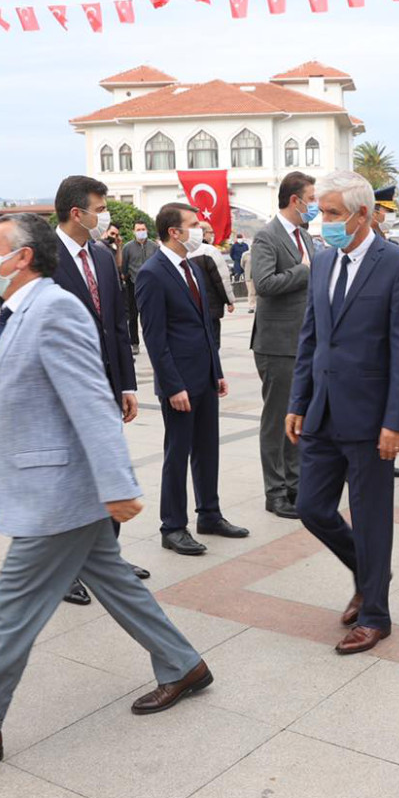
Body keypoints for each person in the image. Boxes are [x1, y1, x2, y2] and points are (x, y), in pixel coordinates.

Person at [0, 214, 210, 766]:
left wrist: (118, 484)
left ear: (21, 258)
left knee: (10, 615)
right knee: (118, 584)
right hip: (63, 488)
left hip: (58, 494)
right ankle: (184, 664)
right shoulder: (18, 310)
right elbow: (16, 403)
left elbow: (91, 401)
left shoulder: (55, 309)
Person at [285, 171, 399, 655]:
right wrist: (298, 401)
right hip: (322, 410)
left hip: (370, 417)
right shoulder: (323, 261)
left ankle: (375, 614)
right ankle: (370, 574)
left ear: (362, 215)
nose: (323, 221)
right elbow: (311, 337)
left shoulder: (398, 265)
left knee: (371, 519)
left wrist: (396, 422)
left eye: (333, 213)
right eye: (320, 211)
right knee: (311, 508)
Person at [138, 202, 249, 555]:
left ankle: (209, 514)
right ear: (174, 231)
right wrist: (173, 386)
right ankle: (172, 526)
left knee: (207, 448)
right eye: (194, 224)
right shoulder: (152, 273)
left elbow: (205, 326)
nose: (200, 230)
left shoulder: (193, 266)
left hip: (204, 375)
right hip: (179, 383)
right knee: (178, 453)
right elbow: (155, 338)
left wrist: (217, 371)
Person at [53, 176, 143, 605]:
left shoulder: (104, 257)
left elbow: (118, 325)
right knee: (69, 483)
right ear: (77, 213)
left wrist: (126, 384)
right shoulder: (44, 258)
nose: (104, 216)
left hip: (106, 388)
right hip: (64, 394)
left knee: (108, 473)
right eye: (100, 208)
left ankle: (106, 560)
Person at [250, 171, 316, 520]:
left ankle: (295, 485)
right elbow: (263, 284)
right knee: (277, 420)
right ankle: (274, 492)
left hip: (303, 342)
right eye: (312, 199)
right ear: (295, 200)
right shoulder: (267, 236)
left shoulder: (304, 235)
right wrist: (303, 271)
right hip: (277, 344)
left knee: (298, 416)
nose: (315, 205)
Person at [370, 184, 399, 480]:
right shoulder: (369, 240)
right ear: (373, 211)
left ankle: (382, 454)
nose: (388, 216)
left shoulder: (382, 238)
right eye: (385, 211)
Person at [192, 222, 235, 351]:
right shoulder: (209, 251)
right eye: (211, 232)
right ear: (203, 233)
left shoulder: (185, 251)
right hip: (210, 306)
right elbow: (222, 279)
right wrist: (229, 300)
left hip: (192, 307)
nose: (212, 235)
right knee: (213, 344)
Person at [121, 219, 157, 354]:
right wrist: (127, 277)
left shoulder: (154, 247)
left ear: (147, 230)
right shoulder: (127, 248)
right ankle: (134, 343)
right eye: (138, 230)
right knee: (133, 316)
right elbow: (124, 266)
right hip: (133, 284)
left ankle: (153, 341)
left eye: (143, 229)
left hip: (151, 285)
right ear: (133, 231)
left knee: (151, 315)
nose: (141, 232)